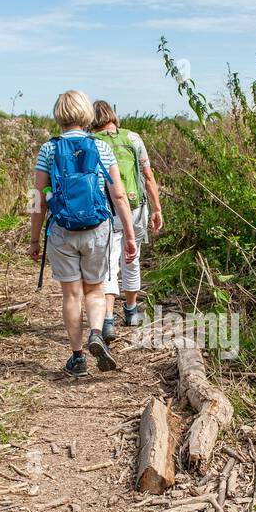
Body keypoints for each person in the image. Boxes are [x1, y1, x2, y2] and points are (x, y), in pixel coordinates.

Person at [29, 90, 138, 377]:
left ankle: (77, 358)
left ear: (58, 115)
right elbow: (118, 194)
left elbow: (37, 197)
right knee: (95, 289)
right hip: (98, 229)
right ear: (87, 115)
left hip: (62, 230)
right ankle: (96, 335)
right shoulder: (101, 147)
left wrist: (34, 237)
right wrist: (128, 234)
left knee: (71, 295)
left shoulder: (48, 149)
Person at [90, 100, 163, 340]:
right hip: (135, 208)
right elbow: (148, 175)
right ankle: (131, 312)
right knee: (132, 259)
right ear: (113, 116)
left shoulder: (91, 142)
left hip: (105, 211)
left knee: (108, 264)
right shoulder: (133, 138)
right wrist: (156, 208)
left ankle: (108, 319)